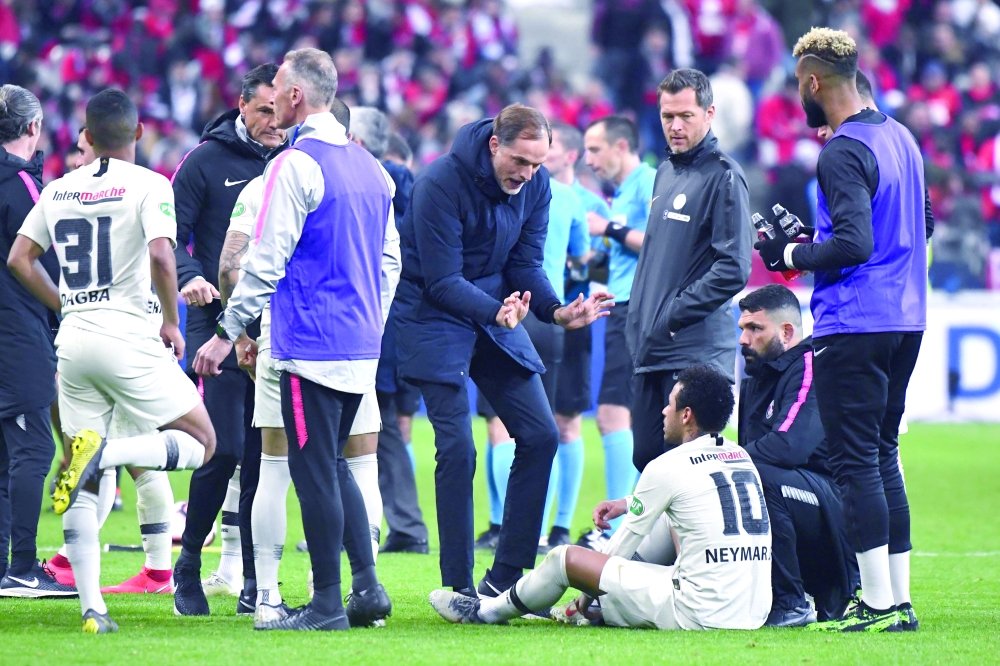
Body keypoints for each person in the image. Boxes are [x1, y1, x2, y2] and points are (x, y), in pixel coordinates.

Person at [193, 47, 397, 632]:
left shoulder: (294, 165)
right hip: (360, 344)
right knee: (334, 465)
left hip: (311, 345)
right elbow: (390, 263)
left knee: (312, 472)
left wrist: (226, 333)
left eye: (278, 87)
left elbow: (264, 263)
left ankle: (327, 605)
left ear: (296, 97)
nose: (273, 96)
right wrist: (369, 321)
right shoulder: (371, 169)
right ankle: (367, 588)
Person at [8, 88, 217, 633]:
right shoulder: (151, 184)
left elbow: (19, 259)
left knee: (85, 482)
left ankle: (92, 611)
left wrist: (67, 303)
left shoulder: (58, 188)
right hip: (128, 336)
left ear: (87, 134)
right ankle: (108, 453)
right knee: (203, 443)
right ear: (139, 133)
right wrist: (172, 323)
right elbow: (160, 255)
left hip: (73, 343)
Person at [394, 104, 613, 598]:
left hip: (498, 309)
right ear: (495, 145)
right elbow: (443, 281)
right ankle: (458, 587)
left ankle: (507, 581)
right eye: (520, 161)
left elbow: (527, 263)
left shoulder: (536, 186)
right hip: (432, 313)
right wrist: (498, 312)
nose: (528, 174)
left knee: (539, 435)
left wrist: (557, 311)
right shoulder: (438, 184)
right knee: (457, 447)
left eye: (538, 164)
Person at [755, 27, 927, 632]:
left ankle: (880, 605)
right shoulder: (900, 137)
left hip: (854, 321)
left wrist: (791, 257)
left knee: (855, 461)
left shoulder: (841, 150)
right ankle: (897, 599)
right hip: (907, 316)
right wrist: (816, 240)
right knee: (882, 455)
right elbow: (921, 222)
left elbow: (855, 243)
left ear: (812, 82)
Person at [428, 365, 772, 631]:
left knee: (565, 558)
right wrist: (629, 502)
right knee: (668, 517)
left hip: (699, 612)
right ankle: (600, 609)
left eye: (670, 405)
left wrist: (582, 593)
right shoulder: (740, 456)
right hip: (752, 609)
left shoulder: (667, 465)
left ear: (686, 415)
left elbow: (618, 550)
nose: (663, 412)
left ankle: (486, 611)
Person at [170, 63, 285, 616]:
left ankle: (252, 576)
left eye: (279, 109)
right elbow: (169, 235)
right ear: (241, 106)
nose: (273, 120)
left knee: (265, 452)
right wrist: (191, 273)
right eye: (263, 109)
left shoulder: (295, 162)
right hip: (213, 316)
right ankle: (188, 561)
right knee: (227, 448)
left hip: (279, 322)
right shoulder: (205, 160)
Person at [626, 68, 753, 474]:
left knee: (689, 468)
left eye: (686, 116)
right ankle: (656, 542)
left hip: (693, 351)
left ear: (709, 113)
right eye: (667, 117)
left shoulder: (724, 176)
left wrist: (672, 315)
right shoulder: (665, 172)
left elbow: (734, 267)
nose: (675, 126)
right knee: (647, 458)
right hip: (653, 348)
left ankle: (700, 542)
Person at [474, 130, 590, 556]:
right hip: (550, 311)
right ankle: (549, 528)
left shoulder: (495, 193)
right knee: (553, 426)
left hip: (506, 313)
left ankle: (505, 524)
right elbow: (582, 254)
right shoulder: (569, 198)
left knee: (502, 427)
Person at [736, 285, 859, 626]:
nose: (744, 339)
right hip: (802, 503)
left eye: (755, 329)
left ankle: (791, 603)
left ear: (787, 331)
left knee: (756, 476)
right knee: (738, 477)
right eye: (742, 329)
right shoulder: (758, 378)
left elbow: (789, 447)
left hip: (835, 508)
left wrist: (724, 462)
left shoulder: (810, 366)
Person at [0, 84, 76, 598]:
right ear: (33, 129)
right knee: (32, 446)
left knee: (5, 456)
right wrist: (65, 307)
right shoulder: (25, 185)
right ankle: (23, 567)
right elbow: (43, 258)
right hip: (16, 329)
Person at [350, 105, 429, 555]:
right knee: (385, 428)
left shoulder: (369, 185)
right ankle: (400, 524)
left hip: (376, 325)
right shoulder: (410, 189)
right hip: (400, 326)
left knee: (369, 428)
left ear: (358, 144)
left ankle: (388, 525)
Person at [580, 114, 656, 545]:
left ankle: (616, 527)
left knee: (612, 415)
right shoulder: (623, 192)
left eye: (596, 149)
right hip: (621, 306)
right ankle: (624, 524)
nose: (590, 160)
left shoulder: (647, 182)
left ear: (621, 146)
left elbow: (657, 242)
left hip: (634, 310)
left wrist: (607, 227)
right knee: (618, 417)